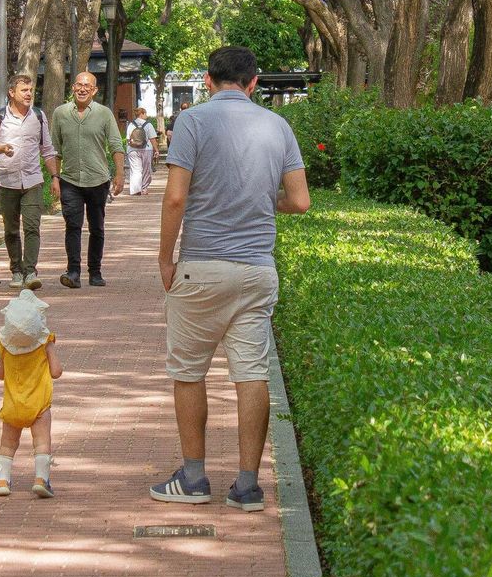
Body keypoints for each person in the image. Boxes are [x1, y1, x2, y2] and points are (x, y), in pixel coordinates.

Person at [150, 46, 310, 512]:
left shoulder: (193, 122)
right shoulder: (278, 125)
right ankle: (247, 486)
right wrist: (263, 201)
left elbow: (176, 198)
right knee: (251, 373)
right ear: (254, 83)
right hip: (257, 268)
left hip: (202, 266)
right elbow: (299, 201)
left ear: (207, 79)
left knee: (188, 372)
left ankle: (194, 477)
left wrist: (164, 258)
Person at [0, 74, 61, 290]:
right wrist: (1, 148)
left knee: (33, 226)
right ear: (12, 92)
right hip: (6, 181)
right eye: (24, 90)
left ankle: (30, 271)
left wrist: (55, 177)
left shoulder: (39, 116)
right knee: (12, 230)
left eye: (30, 90)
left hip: (33, 181)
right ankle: (16, 271)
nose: (29, 94)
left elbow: (48, 150)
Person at [52, 72, 125, 288]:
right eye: (79, 85)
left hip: (98, 179)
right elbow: (55, 149)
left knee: (97, 228)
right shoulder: (60, 113)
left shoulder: (104, 114)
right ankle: (73, 271)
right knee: (72, 227)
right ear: (73, 87)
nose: (82, 89)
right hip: (70, 180)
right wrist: (55, 177)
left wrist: (120, 174)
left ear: (94, 90)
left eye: (88, 86)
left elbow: (115, 145)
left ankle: (95, 271)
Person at [0, 289, 64, 498]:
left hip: (13, 404)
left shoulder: (5, 346)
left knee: (7, 444)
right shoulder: (45, 343)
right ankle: (41, 479)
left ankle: (2, 481)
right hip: (39, 405)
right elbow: (56, 372)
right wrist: (50, 349)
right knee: (42, 442)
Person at [125, 107, 158, 195]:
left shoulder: (131, 125)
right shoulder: (148, 125)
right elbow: (152, 139)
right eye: (145, 114)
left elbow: (128, 139)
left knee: (135, 170)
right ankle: (144, 188)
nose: (146, 116)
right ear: (142, 114)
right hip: (146, 149)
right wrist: (156, 150)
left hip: (132, 149)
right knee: (146, 170)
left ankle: (135, 190)